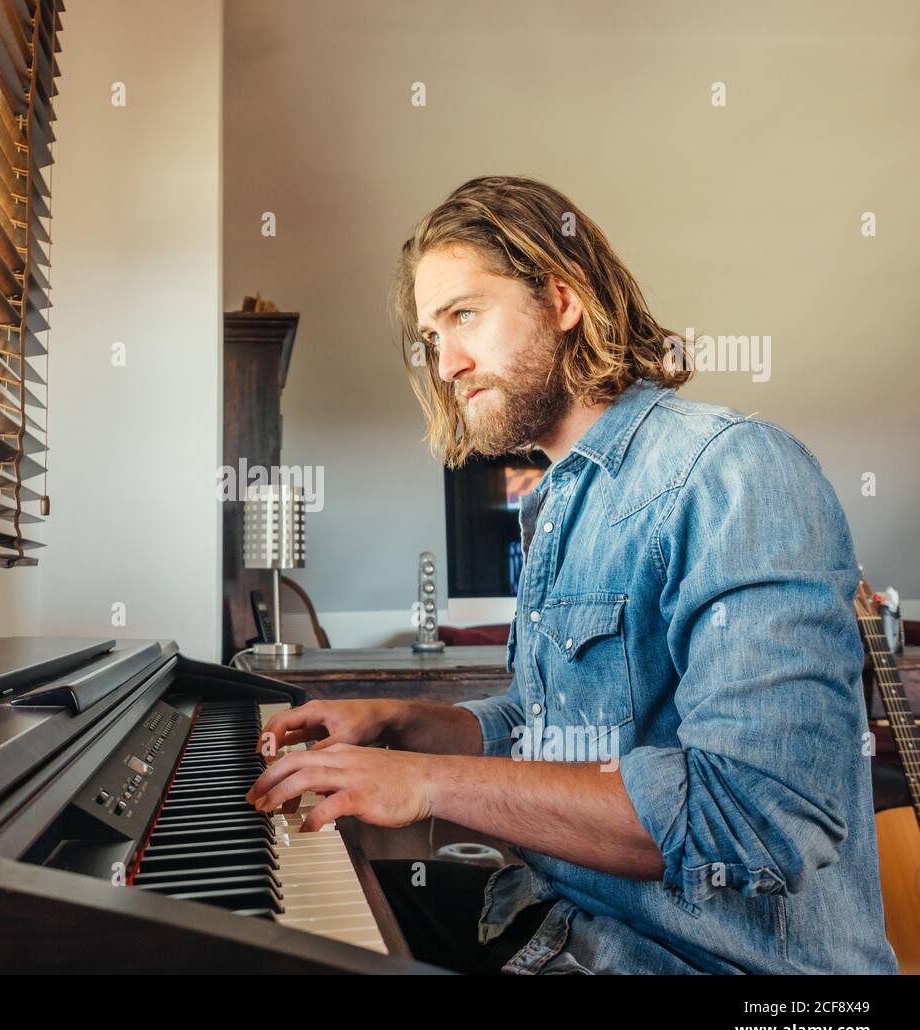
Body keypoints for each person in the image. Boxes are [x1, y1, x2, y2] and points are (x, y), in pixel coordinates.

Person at [246, 176, 898, 975]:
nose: (445, 363)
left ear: (562, 299)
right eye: (430, 336)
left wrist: (425, 781)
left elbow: (758, 814)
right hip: (565, 925)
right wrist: (401, 722)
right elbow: (545, 724)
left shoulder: (730, 471)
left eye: (463, 315)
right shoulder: (556, 501)